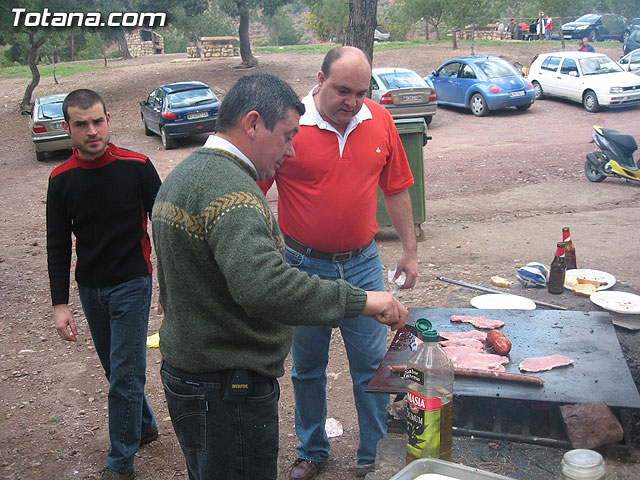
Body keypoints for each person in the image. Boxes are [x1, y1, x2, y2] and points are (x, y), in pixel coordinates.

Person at [151, 72, 408, 480]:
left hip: (190, 376)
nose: (290, 151)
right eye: (287, 136)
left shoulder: (184, 177)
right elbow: (265, 288)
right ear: (252, 124)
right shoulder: (233, 195)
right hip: (228, 386)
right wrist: (363, 300)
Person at [258, 46, 418, 479]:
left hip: (364, 263)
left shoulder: (379, 119)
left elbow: (397, 186)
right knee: (308, 366)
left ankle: (373, 454)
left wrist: (409, 248)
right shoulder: (291, 128)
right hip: (303, 265)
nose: (352, 102)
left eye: (361, 92)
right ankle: (312, 450)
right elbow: (254, 192)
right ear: (319, 80)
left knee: (370, 364)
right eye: (342, 90)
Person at [46, 89, 161, 480]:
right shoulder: (61, 179)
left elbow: (165, 231)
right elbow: (58, 242)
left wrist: (169, 287)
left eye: (98, 121)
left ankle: (120, 464)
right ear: (67, 128)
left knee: (126, 376)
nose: (92, 131)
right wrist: (59, 304)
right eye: (81, 124)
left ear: (108, 118)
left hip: (133, 282)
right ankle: (144, 426)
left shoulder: (138, 166)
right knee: (117, 372)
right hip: (90, 288)